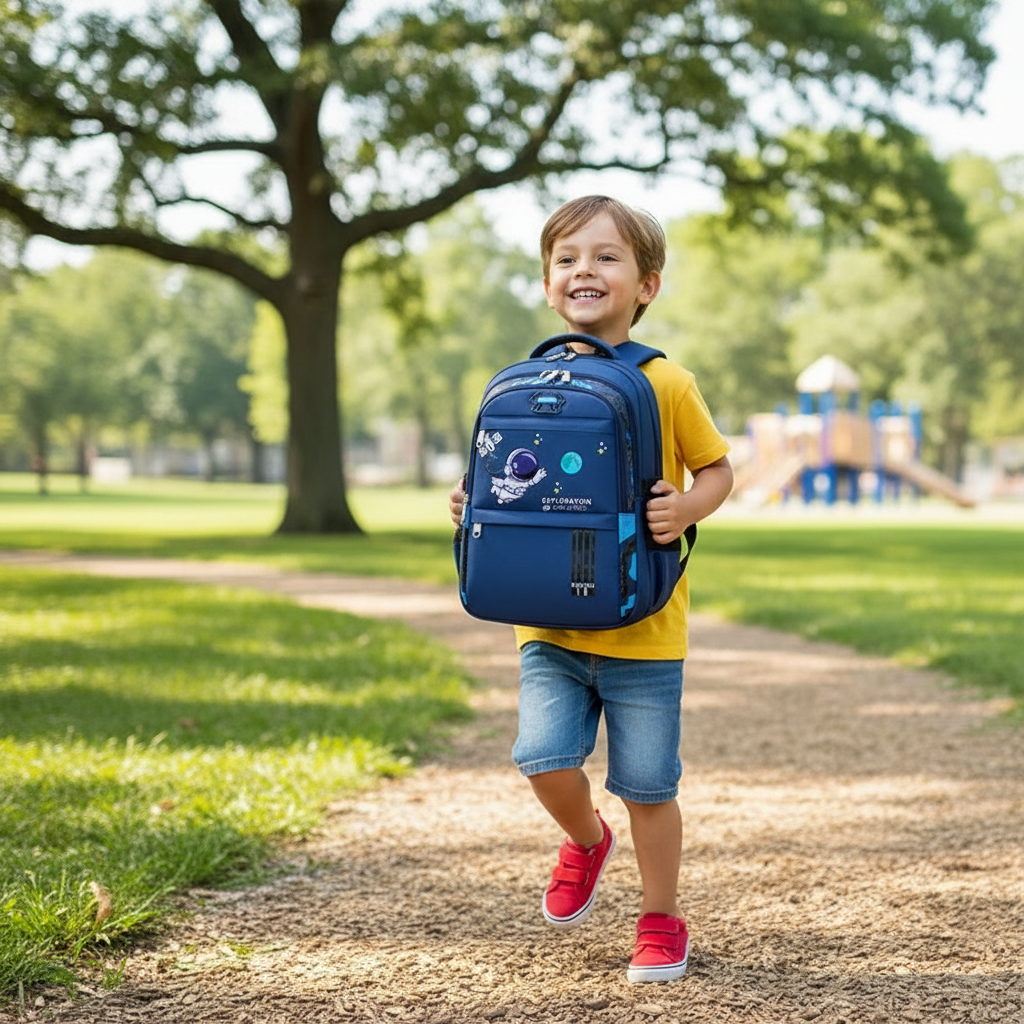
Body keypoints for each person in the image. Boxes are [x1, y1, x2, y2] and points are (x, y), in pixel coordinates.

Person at [448, 195, 733, 983]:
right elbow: (504, 482)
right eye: (568, 258)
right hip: (547, 625)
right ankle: (583, 840)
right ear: (546, 283)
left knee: (648, 786)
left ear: (648, 284)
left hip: (644, 628)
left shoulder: (667, 382)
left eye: (607, 258)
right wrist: (469, 503)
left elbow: (717, 469)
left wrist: (687, 507)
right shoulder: (527, 381)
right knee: (541, 758)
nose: (585, 271)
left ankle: (661, 918)